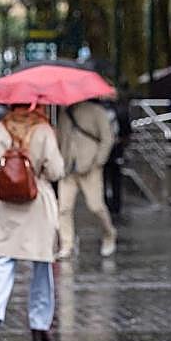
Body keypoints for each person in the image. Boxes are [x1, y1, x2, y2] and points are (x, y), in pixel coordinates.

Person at [0, 104, 65, 341]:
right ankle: (40, 324)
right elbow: (56, 170)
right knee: (41, 262)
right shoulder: (43, 130)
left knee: (1, 259)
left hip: (5, 201)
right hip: (37, 200)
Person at [56, 98, 118, 259]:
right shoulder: (63, 113)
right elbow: (61, 137)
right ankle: (67, 244)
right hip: (68, 167)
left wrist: (99, 161)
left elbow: (107, 138)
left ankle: (109, 233)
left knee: (96, 206)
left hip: (90, 167)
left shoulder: (97, 111)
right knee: (63, 208)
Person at [103, 93, 133, 216]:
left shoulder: (113, 110)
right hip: (113, 148)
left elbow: (126, 129)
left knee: (110, 177)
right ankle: (114, 204)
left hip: (112, 148)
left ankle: (112, 204)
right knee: (113, 177)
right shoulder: (119, 110)